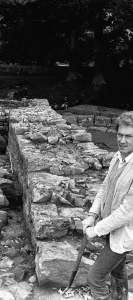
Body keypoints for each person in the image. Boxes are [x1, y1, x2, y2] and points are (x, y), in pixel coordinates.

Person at [82, 111, 133, 300]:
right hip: (110, 229)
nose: (123, 140)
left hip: (123, 233)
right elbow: (105, 187)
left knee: (95, 277)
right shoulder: (117, 157)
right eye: (120, 135)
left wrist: (97, 230)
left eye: (129, 136)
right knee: (118, 272)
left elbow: (127, 213)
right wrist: (92, 214)